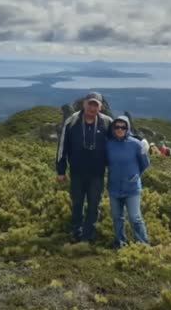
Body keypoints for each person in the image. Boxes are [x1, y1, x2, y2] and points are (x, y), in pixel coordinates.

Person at [56, 92, 113, 243]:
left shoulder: (107, 122)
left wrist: (140, 144)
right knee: (77, 203)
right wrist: (61, 170)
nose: (92, 107)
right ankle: (76, 231)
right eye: (90, 103)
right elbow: (62, 146)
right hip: (77, 173)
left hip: (97, 173)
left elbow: (119, 140)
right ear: (84, 104)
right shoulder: (72, 121)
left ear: (100, 107)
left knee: (94, 204)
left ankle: (89, 234)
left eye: (96, 105)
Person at [106, 115, 150, 249]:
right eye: (117, 127)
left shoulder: (135, 144)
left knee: (135, 217)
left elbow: (145, 164)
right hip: (114, 187)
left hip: (132, 188)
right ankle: (120, 242)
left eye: (123, 127)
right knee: (117, 217)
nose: (120, 129)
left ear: (127, 128)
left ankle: (143, 244)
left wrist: (136, 176)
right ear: (113, 128)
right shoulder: (109, 144)